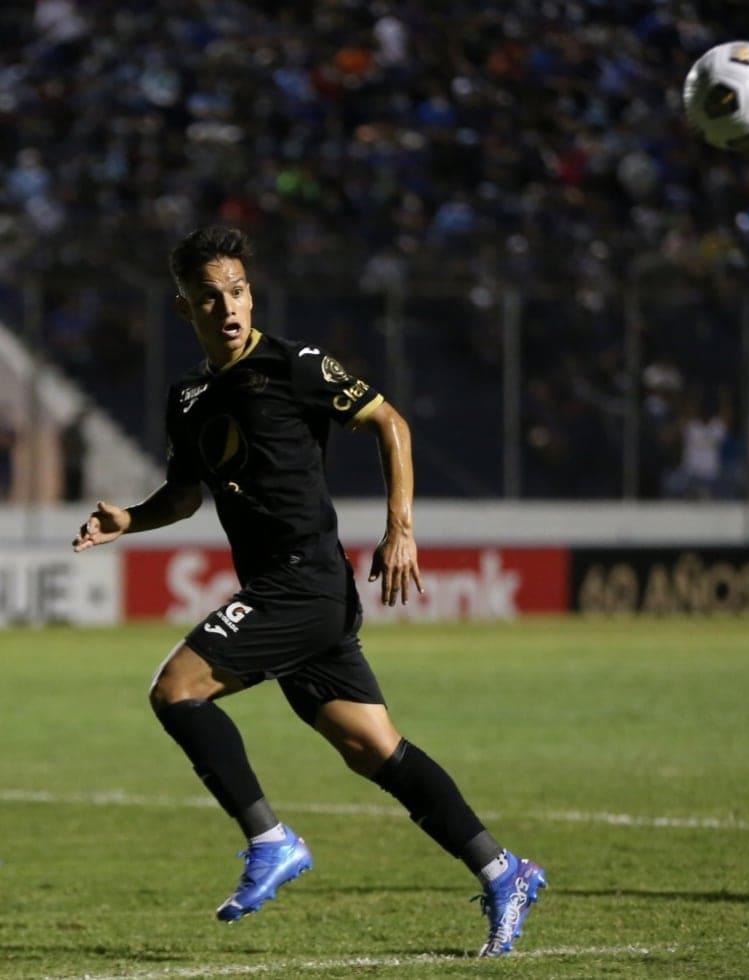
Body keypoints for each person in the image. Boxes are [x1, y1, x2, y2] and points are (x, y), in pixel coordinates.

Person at [72, 226, 545, 955]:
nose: (228, 307)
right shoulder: (190, 397)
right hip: (285, 592)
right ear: (183, 309)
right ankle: (502, 868)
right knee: (373, 749)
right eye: (209, 297)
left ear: (249, 293)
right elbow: (186, 496)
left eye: (237, 291)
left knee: (176, 690)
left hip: (306, 583)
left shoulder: (293, 365)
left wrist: (402, 528)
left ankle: (270, 839)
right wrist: (129, 519)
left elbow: (390, 422)